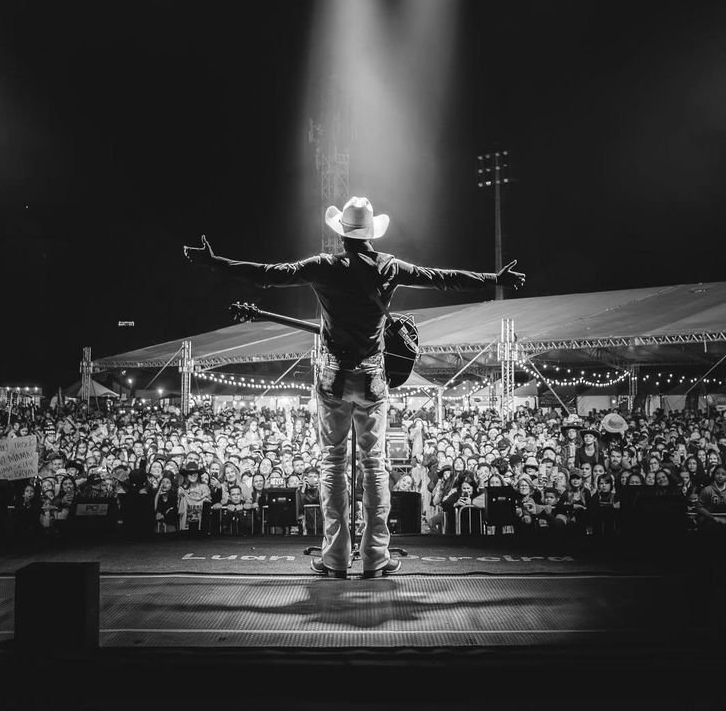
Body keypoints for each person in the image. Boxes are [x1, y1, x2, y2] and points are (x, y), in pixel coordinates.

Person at [184, 195, 525, 578]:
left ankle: (334, 557)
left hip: (333, 377)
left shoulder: (323, 266)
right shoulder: (389, 267)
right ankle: (376, 556)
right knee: (375, 465)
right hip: (374, 377)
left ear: (342, 233)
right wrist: (495, 279)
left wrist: (215, 263)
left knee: (333, 463)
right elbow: (444, 279)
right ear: (371, 235)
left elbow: (268, 273)